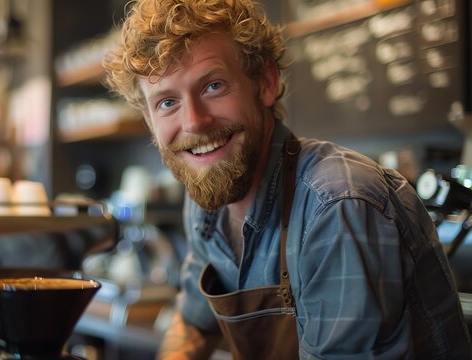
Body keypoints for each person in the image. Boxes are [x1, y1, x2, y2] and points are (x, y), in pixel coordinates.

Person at [102, 0, 472, 358]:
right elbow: (194, 324)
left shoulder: (338, 205)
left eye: (213, 86)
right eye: (167, 102)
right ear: (150, 121)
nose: (194, 122)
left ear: (265, 82)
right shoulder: (206, 199)